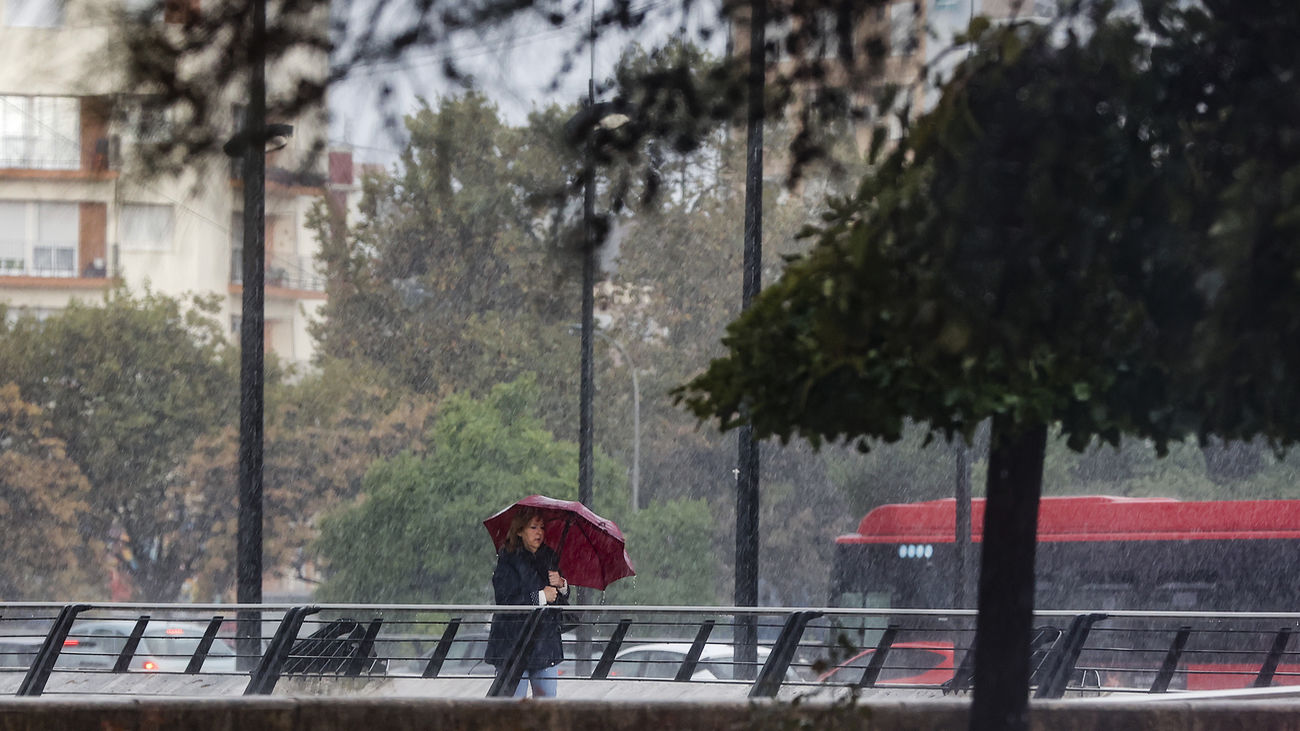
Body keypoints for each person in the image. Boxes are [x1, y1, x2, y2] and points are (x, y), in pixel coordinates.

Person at [485, 508, 569, 697]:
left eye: (542, 527)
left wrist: (562, 584)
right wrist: (540, 597)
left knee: (546, 709)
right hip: (513, 645)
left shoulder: (549, 556)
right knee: (513, 709)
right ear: (519, 531)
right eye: (533, 527)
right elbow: (506, 602)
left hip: (545, 646)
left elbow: (559, 599)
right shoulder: (508, 560)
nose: (539, 532)